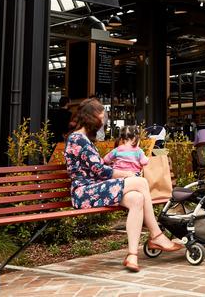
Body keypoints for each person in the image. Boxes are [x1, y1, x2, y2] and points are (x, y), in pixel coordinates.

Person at [64, 98, 182, 272]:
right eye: (101, 117)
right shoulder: (78, 138)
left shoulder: (83, 138)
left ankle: (132, 256)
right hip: (85, 192)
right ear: (91, 117)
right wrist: (127, 174)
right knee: (140, 181)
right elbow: (100, 171)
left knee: (136, 198)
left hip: (96, 188)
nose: (103, 121)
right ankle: (156, 235)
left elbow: (99, 169)